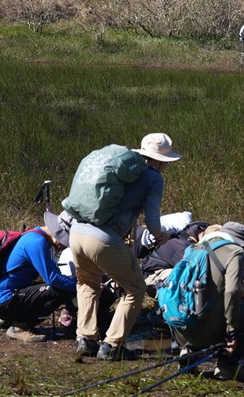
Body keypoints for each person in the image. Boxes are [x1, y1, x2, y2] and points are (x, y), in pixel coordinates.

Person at [69, 133, 181, 361]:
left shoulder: (124, 170)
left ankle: (86, 339)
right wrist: (162, 236)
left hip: (77, 232)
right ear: (162, 161)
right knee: (136, 289)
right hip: (102, 240)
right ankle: (112, 346)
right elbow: (152, 221)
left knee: (88, 283)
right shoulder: (153, 177)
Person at [173, 222, 244, 382]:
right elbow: (232, 291)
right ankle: (226, 367)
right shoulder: (235, 252)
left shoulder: (192, 249)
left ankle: (187, 353)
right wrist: (232, 332)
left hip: (183, 330)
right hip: (210, 333)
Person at [0, 212, 76, 342]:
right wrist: (81, 286)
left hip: (5, 298)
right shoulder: (37, 242)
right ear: (59, 235)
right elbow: (52, 278)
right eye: (66, 242)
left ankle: (12, 319)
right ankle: (19, 326)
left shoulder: (35, 236)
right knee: (60, 290)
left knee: (58, 287)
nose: (65, 246)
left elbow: (52, 273)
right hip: (5, 300)